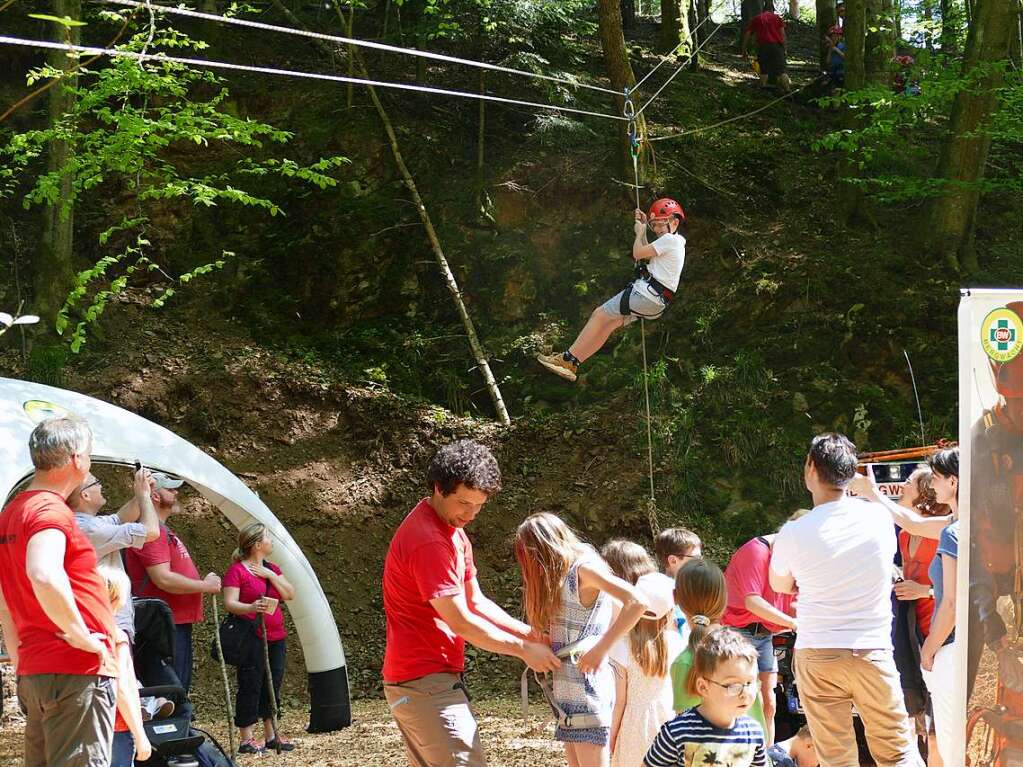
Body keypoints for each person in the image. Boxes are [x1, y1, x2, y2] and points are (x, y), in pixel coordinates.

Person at [382, 440, 560, 767]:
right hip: (422, 682)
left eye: (478, 505)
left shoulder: (453, 532)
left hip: (429, 680)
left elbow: (475, 601)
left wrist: (531, 634)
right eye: (464, 502)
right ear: (438, 488)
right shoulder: (429, 541)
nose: (470, 514)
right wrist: (523, 649)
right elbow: (460, 621)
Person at [770, 433, 923, 767]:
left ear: (811, 469)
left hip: (818, 650)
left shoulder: (793, 532)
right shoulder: (878, 518)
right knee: (897, 752)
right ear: (850, 473)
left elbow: (779, 583)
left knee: (836, 757)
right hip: (872, 649)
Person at [0, 417, 120, 767]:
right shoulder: (49, 510)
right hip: (75, 670)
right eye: (90, 455)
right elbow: (43, 572)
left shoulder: (12, 513)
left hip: (39, 670)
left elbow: (6, 600)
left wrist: (20, 658)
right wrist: (81, 636)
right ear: (76, 459)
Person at [515, 513, 650, 766]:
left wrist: (601, 648)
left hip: (587, 688)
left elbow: (636, 602)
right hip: (566, 691)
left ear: (543, 548)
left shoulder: (584, 569)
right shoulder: (562, 575)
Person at [536, 199, 687, 382]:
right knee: (609, 325)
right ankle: (574, 364)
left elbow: (638, 253)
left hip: (646, 295)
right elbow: (648, 251)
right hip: (656, 303)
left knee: (599, 314)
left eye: (661, 225)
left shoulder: (670, 240)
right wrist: (645, 225)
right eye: (654, 226)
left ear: (674, 222)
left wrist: (639, 233)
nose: (657, 230)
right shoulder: (675, 242)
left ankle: (567, 359)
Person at [124, 472, 222, 694]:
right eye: (170, 489)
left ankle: (179, 726)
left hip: (172, 623)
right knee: (169, 689)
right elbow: (163, 577)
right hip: (163, 627)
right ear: (155, 496)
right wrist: (204, 586)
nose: (177, 492)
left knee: (177, 685)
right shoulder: (153, 533)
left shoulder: (161, 530)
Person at [602, 541, 684, 767]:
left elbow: (618, 702)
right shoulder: (677, 642)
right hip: (668, 719)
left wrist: (609, 741)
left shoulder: (621, 646)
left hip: (633, 725)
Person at [722, 519, 801, 747]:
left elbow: (794, 600)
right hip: (738, 633)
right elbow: (753, 602)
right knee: (740, 701)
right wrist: (794, 623)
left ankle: (766, 756)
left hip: (765, 634)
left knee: (770, 702)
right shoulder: (757, 551)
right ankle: (738, 754)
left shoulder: (788, 558)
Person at [671, 558, 769, 735]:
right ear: (725, 598)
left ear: (675, 597)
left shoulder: (685, 662)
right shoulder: (743, 649)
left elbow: (686, 736)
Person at [644, 627, 767, 767]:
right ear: (703, 687)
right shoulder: (677, 731)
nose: (745, 693)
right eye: (732, 685)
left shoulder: (753, 733)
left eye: (750, 682)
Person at [223, 522, 297, 754]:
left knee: (272, 683)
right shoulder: (237, 571)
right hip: (250, 636)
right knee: (250, 684)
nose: (271, 541)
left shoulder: (272, 568)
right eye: (268, 538)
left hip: (276, 636)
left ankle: (271, 734)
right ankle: (247, 738)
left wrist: (270, 575)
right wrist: (251, 606)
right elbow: (230, 603)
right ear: (257, 544)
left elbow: (290, 593)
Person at [69, 466, 160, 644]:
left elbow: (120, 518)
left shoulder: (86, 523)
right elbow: (151, 531)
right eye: (96, 482)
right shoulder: (90, 529)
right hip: (108, 626)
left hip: (105, 622)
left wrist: (143, 490)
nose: (101, 486)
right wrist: (143, 497)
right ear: (85, 495)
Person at [100, 565, 153, 767]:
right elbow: (122, 687)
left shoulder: (77, 636)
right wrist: (140, 735)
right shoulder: (116, 636)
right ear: (118, 598)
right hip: (117, 727)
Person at [654, 528, 702, 640]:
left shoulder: (690, 589)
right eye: (696, 558)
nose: (700, 562)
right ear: (673, 561)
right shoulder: (664, 592)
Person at [741, 0, 792, 92]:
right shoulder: (777, 18)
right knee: (781, 71)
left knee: (764, 70)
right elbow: (783, 35)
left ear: (762, 10)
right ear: (772, 10)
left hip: (763, 46)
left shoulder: (757, 18)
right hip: (777, 46)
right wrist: (785, 49)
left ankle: (761, 90)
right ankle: (788, 91)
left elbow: (747, 34)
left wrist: (744, 49)